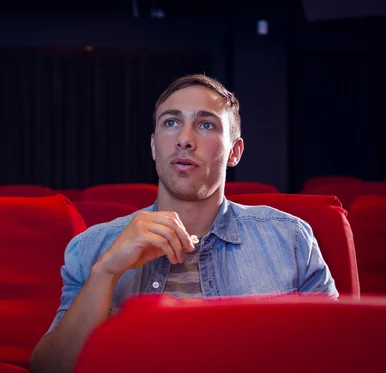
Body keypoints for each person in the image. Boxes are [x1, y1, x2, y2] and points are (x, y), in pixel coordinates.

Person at [29, 74, 337, 373]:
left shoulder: (291, 239)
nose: (185, 140)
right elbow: (51, 368)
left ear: (234, 152)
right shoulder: (91, 248)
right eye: (171, 122)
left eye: (205, 125)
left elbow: (337, 354)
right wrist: (106, 273)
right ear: (153, 146)